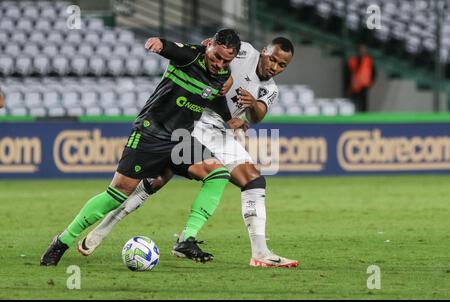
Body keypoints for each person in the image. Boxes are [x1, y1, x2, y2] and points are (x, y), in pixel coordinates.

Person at [79, 37, 299, 268]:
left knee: (253, 180)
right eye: (272, 59)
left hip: (219, 130)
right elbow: (210, 49)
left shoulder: (271, 89)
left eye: (281, 65)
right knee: (156, 180)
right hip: (193, 117)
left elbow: (257, 116)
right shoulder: (243, 51)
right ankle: (103, 231)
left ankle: (260, 252)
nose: (274, 67)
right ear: (264, 51)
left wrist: (252, 104)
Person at [40, 29, 241, 266]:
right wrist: (159, 43)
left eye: (225, 60)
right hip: (150, 133)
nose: (218, 63)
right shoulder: (190, 56)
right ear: (209, 45)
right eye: (215, 56)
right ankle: (62, 241)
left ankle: (187, 239)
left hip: (180, 138)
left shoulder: (223, 75)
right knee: (116, 195)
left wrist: (229, 119)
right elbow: (171, 47)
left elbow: (213, 95)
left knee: (218, 174)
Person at [346, 44, 376, 113]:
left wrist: (371, 83)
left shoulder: (369, 60)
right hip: (355, 84)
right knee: (353, 100)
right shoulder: (353, 60)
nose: (362, 50)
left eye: (363, 49)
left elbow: (373, 73)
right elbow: (349, 72)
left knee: (363, 101)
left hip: (364, 84)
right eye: (361, 49)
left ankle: (364, 114)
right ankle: (352, 112)